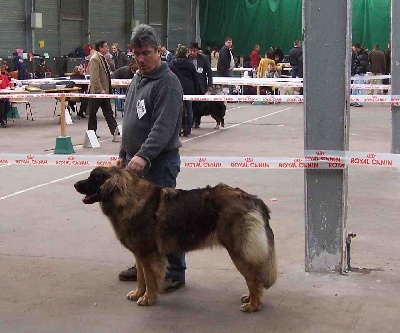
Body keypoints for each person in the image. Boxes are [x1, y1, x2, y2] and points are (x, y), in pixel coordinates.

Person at [116, 24, 186, 293]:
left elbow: (163, 127)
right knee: (139, 221)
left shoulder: (169, 84)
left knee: (166, 221)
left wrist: (143, 155)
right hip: (135, 165)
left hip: (160, 165)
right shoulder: (138, 79)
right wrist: (124, 154)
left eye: (146, 53)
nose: (141, 59)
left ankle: (175, 272)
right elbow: (130, 119)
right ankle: (144, 264)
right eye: (136, 54)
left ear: (159, 51)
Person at [88, 40, 118, 137]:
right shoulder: (95, 59)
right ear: (100, 48)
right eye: (105, 46)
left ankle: (115, 132)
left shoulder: (103, 58)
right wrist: (101, 90)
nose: (108, 48)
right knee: (93, 113)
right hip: (97, 92)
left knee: (108, 112)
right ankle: (91, 133)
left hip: (105, 91)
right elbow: (94, 78)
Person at [170, 45, 200, 136]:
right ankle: (188, 129)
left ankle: (178, 130)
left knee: (178, 110)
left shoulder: (172, 63)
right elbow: (195, 77)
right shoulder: (190, 64)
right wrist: (197, 90)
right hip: (189, 88)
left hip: (177, 87)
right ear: (186, 53)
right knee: (189, 108)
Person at [111, 43, 130, 112]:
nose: (113, 50)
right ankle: (119, 107)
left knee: (123, 91)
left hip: (123, 74)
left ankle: (123, 106)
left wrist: (126, 68)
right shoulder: (113, 56)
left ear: (117, 48)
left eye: (114, 48)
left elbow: (128, 61)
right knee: (117, 91)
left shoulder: (123, 54)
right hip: (117, 75)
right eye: (112, 49)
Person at [351, 43, 370, 107]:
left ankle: (360, 102)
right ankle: (355, 100)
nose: (353, 49)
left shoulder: (363, 55)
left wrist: (357, 70)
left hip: (360, 73)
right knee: (355, 88)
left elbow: (363, 65)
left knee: (360, 88)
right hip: (357, 73)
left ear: (357, 48)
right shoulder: (360, 54)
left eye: (353, 48)